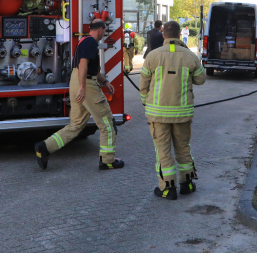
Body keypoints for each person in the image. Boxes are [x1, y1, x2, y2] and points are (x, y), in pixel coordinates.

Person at [35, 19, 124, 171]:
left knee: (76, 125)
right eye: (105, 31)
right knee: (107, 124)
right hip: (86, 85)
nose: (104, 34)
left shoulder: (83, 41)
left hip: (76, 82)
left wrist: (105, 82)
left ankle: (44, 147)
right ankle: (108, 161)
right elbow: (83, 65)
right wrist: (83, 87)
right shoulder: (92, 43)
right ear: (101, 30)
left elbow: (91, 69)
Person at [140, 21, 206, 200]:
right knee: (183, 148)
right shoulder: (190, 56)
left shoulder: (152, 56)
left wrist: (146, 104)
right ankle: (187, 183)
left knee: (163, 151)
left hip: (158, 115)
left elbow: (143, 85)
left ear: (163, 35)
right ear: (179, 35)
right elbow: (201, 80)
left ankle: (168, 188)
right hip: (182, 114)